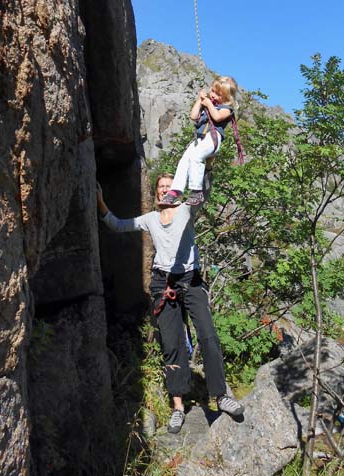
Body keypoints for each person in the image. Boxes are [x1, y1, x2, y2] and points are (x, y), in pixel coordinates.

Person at [96, 172, 244, 434]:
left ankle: (220, 396)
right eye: (161, 187)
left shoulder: (187, 211)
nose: (165, 190)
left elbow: (204, 194)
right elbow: (118, 225)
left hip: (191, 282)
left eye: (169, 186)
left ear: (176, 191)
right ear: (156, 194)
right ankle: (178, 406)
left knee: (208, 336)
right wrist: (100, 201)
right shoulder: (151, 219)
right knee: (171, 343)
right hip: (163, 285)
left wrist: (206, 165)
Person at [158, 76, 238, 208]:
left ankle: (196, 190)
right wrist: (199, 101)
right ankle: (175, 190)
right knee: (185, 160)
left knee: (196, 157)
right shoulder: (207, 104)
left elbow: (217, 117)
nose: (213, 95)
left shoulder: (226, 109)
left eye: (219, 95)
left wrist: (208, 104)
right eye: (213, 91)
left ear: (226, 98)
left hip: (213, 137)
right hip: (200, 138)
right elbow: (193, 116)